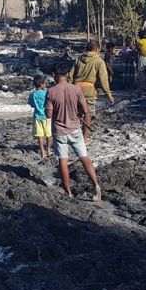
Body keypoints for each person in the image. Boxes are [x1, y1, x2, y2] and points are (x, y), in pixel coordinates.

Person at [46, 61, 102, 201]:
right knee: (84, 157)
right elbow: (86, 111)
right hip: (75, 129)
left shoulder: (51, 91)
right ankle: (96, 185)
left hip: (59, 131)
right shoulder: (76, 90)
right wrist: (85, 129)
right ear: (68, 75)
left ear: (54, 76)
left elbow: (48, 115)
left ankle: (68, 192)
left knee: (63, 161)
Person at [68, 39, 115, 144]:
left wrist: (68, 90)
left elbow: (70, 76)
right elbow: (103, 79)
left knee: (78, 114)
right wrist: (109, 94)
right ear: (97, 49)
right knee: (88, 114)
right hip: (89, 91)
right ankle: (85, 138)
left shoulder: (78, 59)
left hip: (76, 90)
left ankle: (76, 136)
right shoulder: (99, 61)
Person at [28, 74, 52, 157]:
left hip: (37, 116)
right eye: (45, 83)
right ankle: (48, 149)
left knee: (40, 135)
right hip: (47, 116)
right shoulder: (47, 93)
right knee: (48, 134)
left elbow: (31, 104)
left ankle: (42, 151)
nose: (46, 85)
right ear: (41, 84)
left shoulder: (32, 94)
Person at [137, 30, 146, 95]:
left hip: (142, 57)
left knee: (141, 72)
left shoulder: (140, 41)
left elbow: (139, 49)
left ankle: (142, 86)